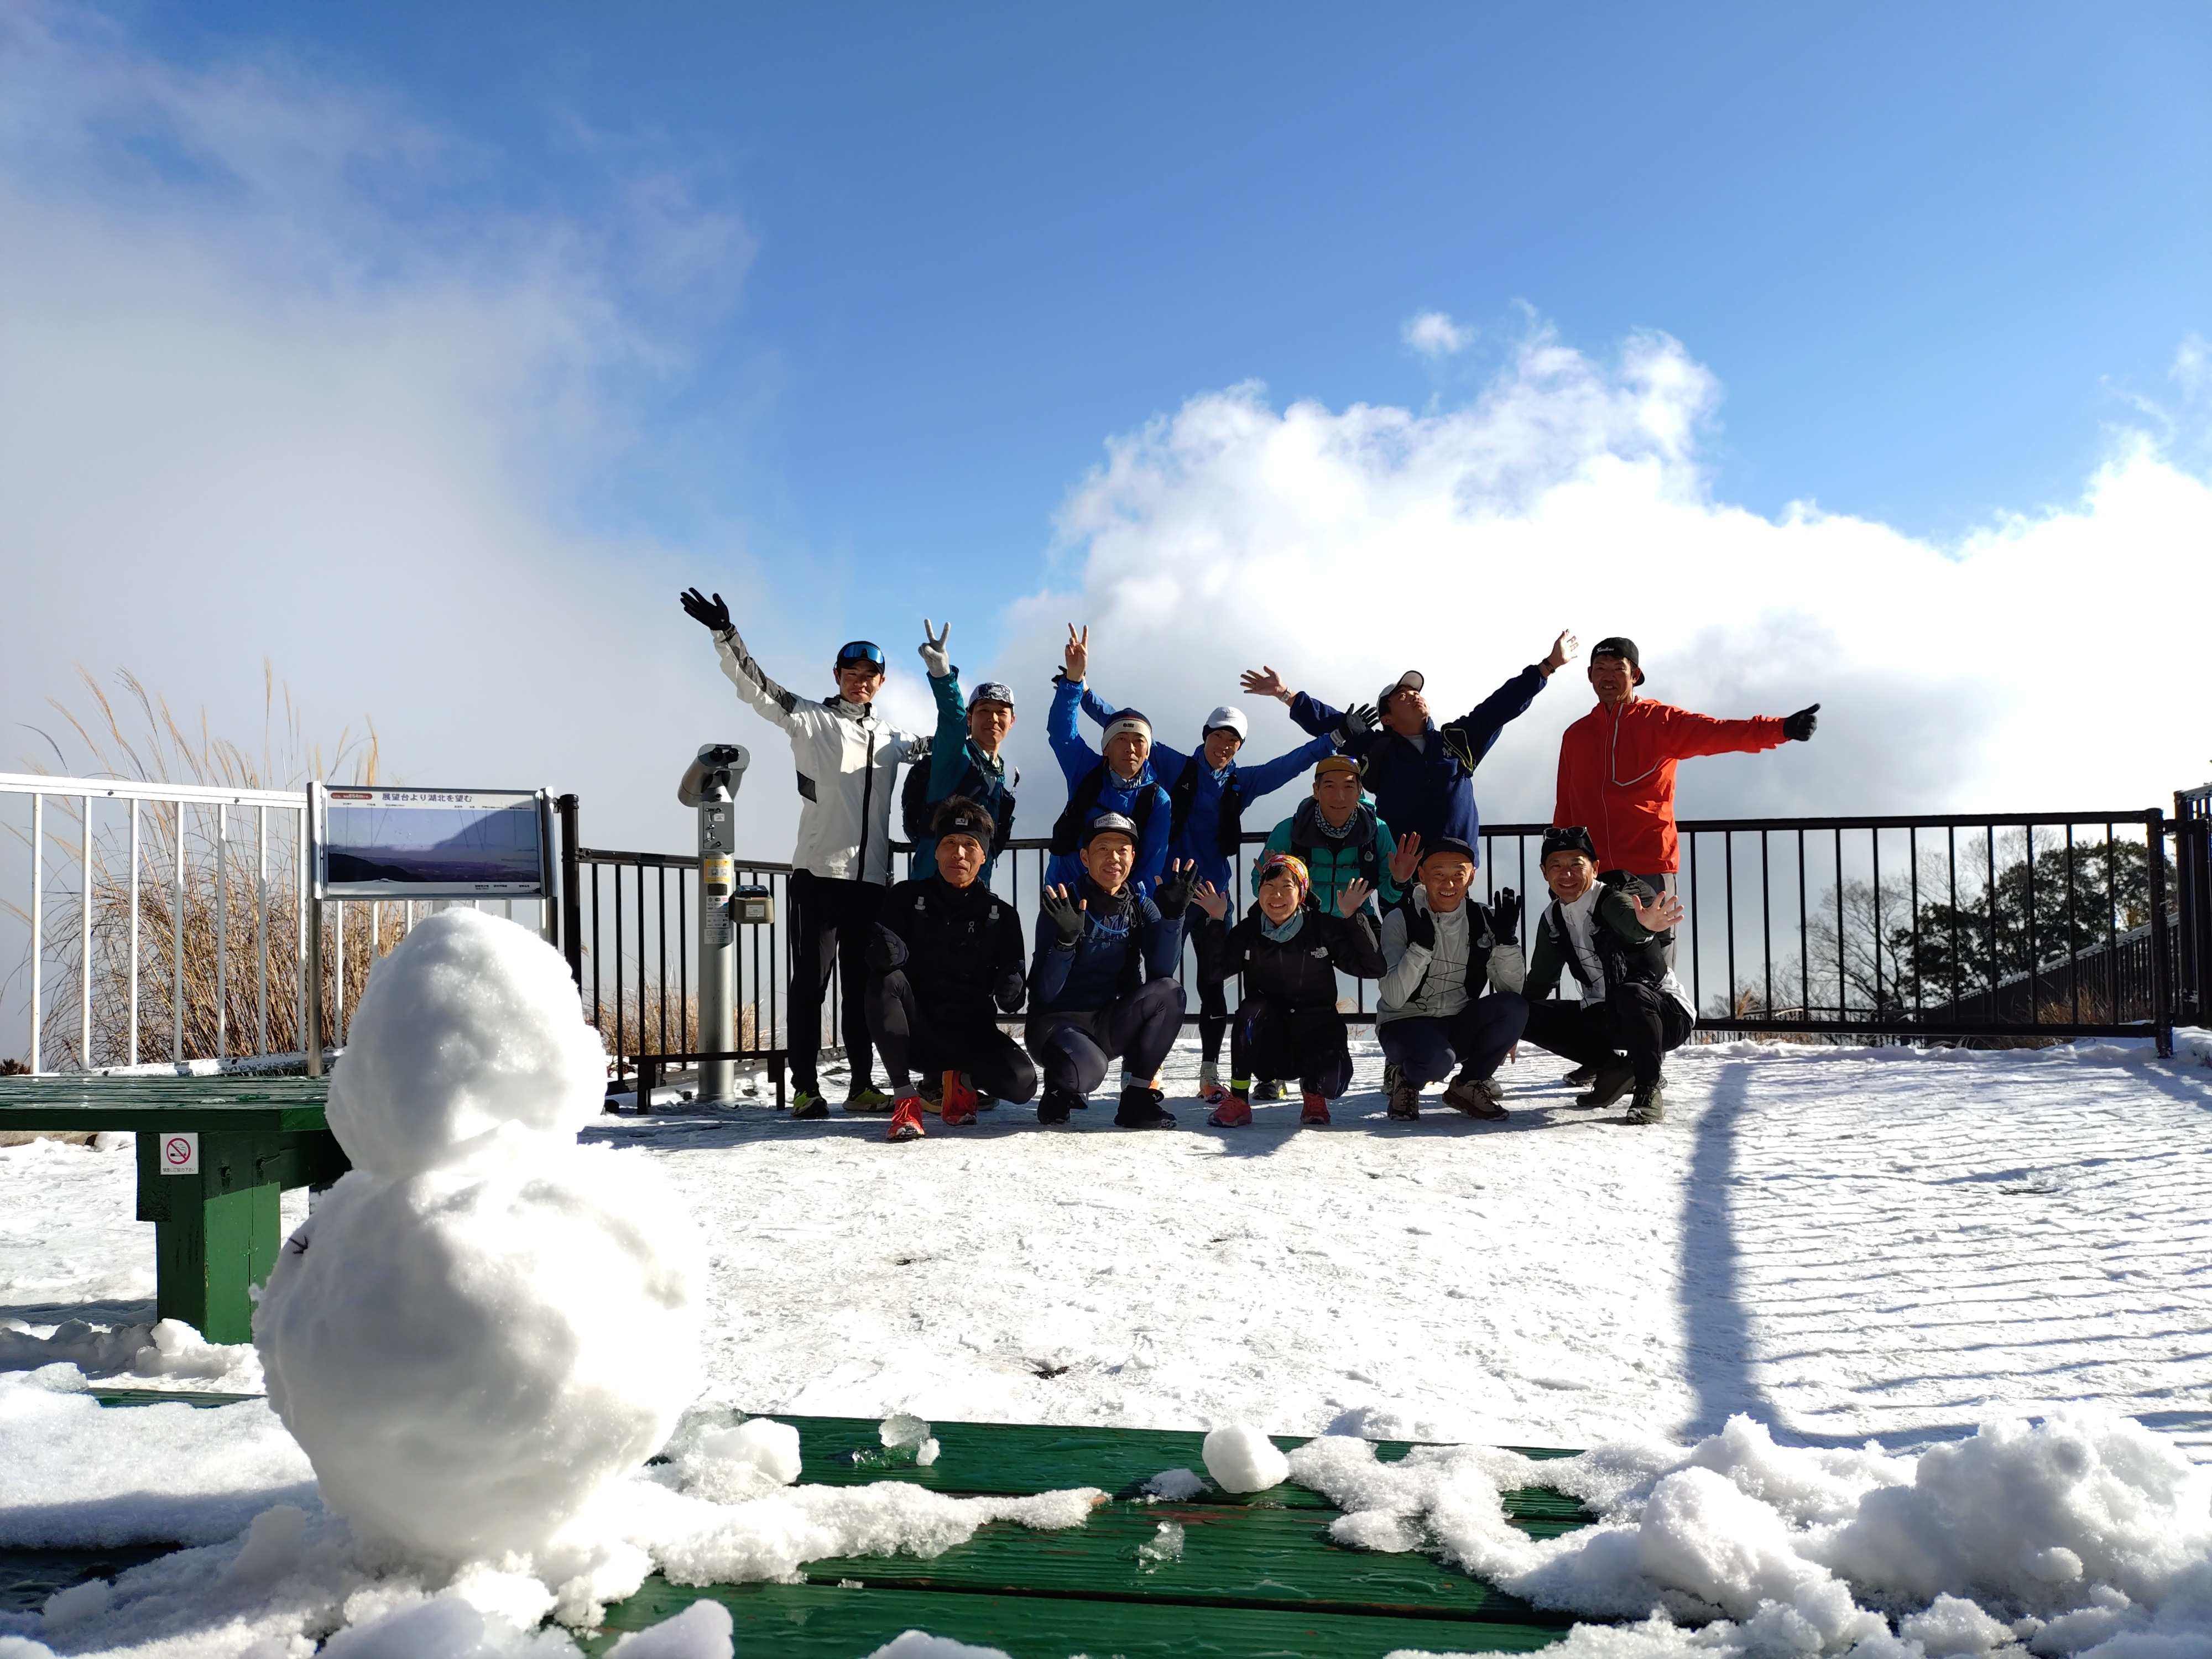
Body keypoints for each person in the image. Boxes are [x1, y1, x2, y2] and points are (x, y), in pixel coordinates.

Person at [682, 587, 928, 1119]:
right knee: (810, 987)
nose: (860, 681)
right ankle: (805, 1088)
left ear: (882, 682)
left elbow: (948, 745)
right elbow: (756, 687)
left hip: (871, 881)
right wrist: (725, 633)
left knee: (861, 988)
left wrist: (982, 735)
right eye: (851, 673)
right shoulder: (810, 719)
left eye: (870, 675)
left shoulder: (893, 738)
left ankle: (860, 1086)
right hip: (819, 875)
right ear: (837, 675)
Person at [1079, 684, 1336, 1104]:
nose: (1225, 746)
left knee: (1213, 981)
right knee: (1159, 980)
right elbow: (1129, 727)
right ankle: (1148, 1069)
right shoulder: (1176, 766)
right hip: (1172, 895)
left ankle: (1209, 1071)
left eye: (1233, 741)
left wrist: (1332, 741)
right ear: (1205, 735)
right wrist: (1083, 692)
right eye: (1219, 736)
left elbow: (1288, 766)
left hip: (1214, 895)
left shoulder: (1241, 782)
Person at [1241, 629, 1577, 852]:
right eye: (1403, 695)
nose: (1415, 695)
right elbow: (1329, 721)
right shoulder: (1377, 749)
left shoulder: (1458, 739)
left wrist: (1548, 666)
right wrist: (1285, 693)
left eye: (1416, 691)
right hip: (1402, 874)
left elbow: (1500, 705)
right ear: (1387, 718)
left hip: (1456, 868)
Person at [865, 797, 1036, 1144]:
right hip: (918, 1035)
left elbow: (1013, 1001)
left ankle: (961, 1082)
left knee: (1023, 1084)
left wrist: (1013, 986)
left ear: (984, 856)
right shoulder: (905, 898)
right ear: (936, 851)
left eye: (970, 845)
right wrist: (881, 953)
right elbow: (877, 956)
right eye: (950, 843)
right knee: (885, 980)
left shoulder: (1002, 915)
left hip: (973, 1033)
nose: (959, 853)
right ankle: (905, 1101)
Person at [1024, 814, 1196, 1128]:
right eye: (1103, 849)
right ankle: (1059, 1088)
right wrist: (1065, 942)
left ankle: (1136, 1100)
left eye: (1122, 850)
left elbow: (1161, 972)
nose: (1113, 858)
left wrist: (1173, 917)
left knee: (1171, 993)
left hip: (1104, 1020)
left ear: (1133, 857)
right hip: (1054, 1023)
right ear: (1085, 857)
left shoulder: (1139, 905)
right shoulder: (1063, 904)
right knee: (1090, 1072)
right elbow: (1045, 991)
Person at [1191, 853, 1385, 1128]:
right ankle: (1239, 1100)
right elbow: (1214, 973)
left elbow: (1373, 968)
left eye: (1287, 887)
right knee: (1250, 1010)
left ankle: (1314, 1094)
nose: (1277, 895)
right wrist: (1216, 920)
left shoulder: (1322, 928)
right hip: (1272, 1042)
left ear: (1302, 893)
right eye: (1269, 886)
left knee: (1333, 1082)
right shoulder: (1249, 931)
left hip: (1318, 1033)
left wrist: (1354, 916)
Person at [1519, 825, 1692, 1125]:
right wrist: (1512, 1023)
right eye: (1556, 866)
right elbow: (1541, 979)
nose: (1567, 874)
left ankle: (1648, 1088)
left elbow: (1630, 923)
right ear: (1545, 873)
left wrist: (1646, 926)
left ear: (1595, 868)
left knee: (1629, 993)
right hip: (1607, 1013)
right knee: (1524, 1013)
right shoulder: (1552, 917)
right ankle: (1614, 1069)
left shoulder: (1610, 900)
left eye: (1577, 864)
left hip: (1666, 1016)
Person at [1375, 837, 1528, 1122]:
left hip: (1457, 1020)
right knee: (1438, 1061)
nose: (1449, 884)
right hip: (1405, 1022)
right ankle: (1406, 1079)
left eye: (1459, 874)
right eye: (1439, 874)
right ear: (1422, 876)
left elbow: (1511, 991)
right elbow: (1394, 997)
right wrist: (1420, 948)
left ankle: (1468, 1085)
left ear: (1472, 877)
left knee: (1515, 1007)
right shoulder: (1401, 919)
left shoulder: (1483, 918)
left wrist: (1507, 942)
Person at [1045, 626, 1171, 897]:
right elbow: (1061, 734)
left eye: (1139, 741)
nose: (1131, 748)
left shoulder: (1157, 800)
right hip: (1065, 891)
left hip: (1119, 901)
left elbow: (1152, 861)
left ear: (1148, 751)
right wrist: (1073, 681)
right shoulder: (1086, 770)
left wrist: (1134, 905)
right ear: (1106, 748)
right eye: (1121, 739)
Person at [904, 619, 1019, 883]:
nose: (993, 718)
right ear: (970, 718)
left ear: (1012, 721)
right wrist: (943, 675)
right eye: (984, 710)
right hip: (932, 887)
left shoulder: (997, 771)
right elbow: (952, 721)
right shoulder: (955, 756)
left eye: (1001, 712)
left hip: (975, 890)